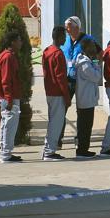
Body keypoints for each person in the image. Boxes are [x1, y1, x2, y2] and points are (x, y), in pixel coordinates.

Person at [59, 16, 102, 148]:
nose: (67, 29)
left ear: (77, 27)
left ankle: (80, 138)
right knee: (62, 108)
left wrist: (95, 65)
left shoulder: (88, 40)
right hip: (68, 79)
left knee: (82, 111)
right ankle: (58, 138)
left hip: (82, 80)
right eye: (66, 26)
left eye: (69, 26)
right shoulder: (66, 40)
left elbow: (99, 54)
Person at [41, 26, 70, 161]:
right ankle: (49, 152)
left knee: (53, 121)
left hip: (50, 91)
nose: (65, 39)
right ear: (59, 37)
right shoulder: (58, 53)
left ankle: (48, 148)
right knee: (56, 123)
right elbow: (61, 77)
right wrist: (67, 95)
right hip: (58, 93)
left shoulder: (47, 51)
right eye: (64, 36)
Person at [0, 31, 23, 163]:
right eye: (19, 40)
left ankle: (5, 152)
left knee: (6, 124)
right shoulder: (8, 58)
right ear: (12, 42)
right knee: (9, 125)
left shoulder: (6, 56)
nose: (20, 43)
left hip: (7, 97)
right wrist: (9, 98)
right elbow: (6, 81)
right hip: (9, 97)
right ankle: (6, 154)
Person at [74, 39, 102, 158]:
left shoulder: (88, 61)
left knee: (87, 125)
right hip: (85, 100)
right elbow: (96, 77)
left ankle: (84, 148)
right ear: (86, 49)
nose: (94, 48)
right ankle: (82, 150)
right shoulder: (84, 63)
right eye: (91, 46)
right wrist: (97, 62)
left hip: (88, 99)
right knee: (84, 126)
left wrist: (95, 61)